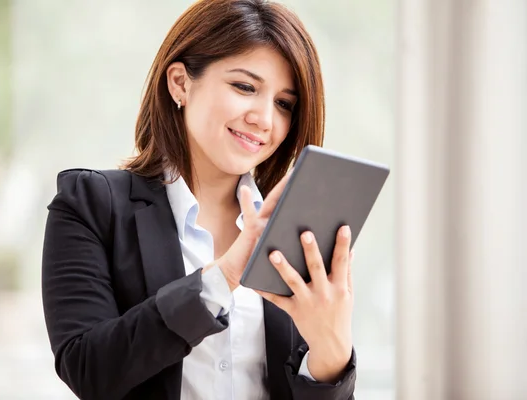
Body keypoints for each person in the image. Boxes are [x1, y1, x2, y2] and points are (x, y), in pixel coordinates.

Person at [41, 0, 357, 399]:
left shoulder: (298, 231)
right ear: (180, 83)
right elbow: (88, 370)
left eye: (284, 104)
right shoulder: (91, 205)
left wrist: (331, 350)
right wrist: (222, 277)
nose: (264, 118)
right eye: (245, 86)